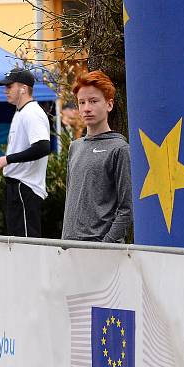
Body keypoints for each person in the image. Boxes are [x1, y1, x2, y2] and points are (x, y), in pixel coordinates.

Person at [62, 70, 132, 243]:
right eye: (82, 102)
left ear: (109, 104)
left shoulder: (120, 149)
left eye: (93, 101)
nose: (87, 108)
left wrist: (106, 244)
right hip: (69, 247)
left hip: (101, 251)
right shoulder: (75, 147)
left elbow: (127, 208)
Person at [0, 68, 51, 237]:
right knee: (18, 243)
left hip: (25, 187)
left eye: (9, 86)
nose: (5, 91)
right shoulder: (22, 112)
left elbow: (43, 147)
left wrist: (7, 159)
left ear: (23, 88)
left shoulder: (32, 113)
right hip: (19, 187)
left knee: (26, 245)